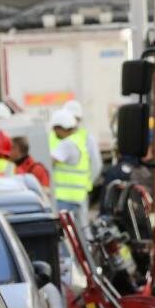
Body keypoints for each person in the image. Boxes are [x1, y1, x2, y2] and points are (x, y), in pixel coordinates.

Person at [50, 100, 95, 239]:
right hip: (77, 196)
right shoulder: (78, 140)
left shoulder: (67, 144)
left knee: (64, 237)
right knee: (79, 233)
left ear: (62, 128)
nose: (55, 132)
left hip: (64, 198)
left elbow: (49, 161)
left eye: (56, 129)